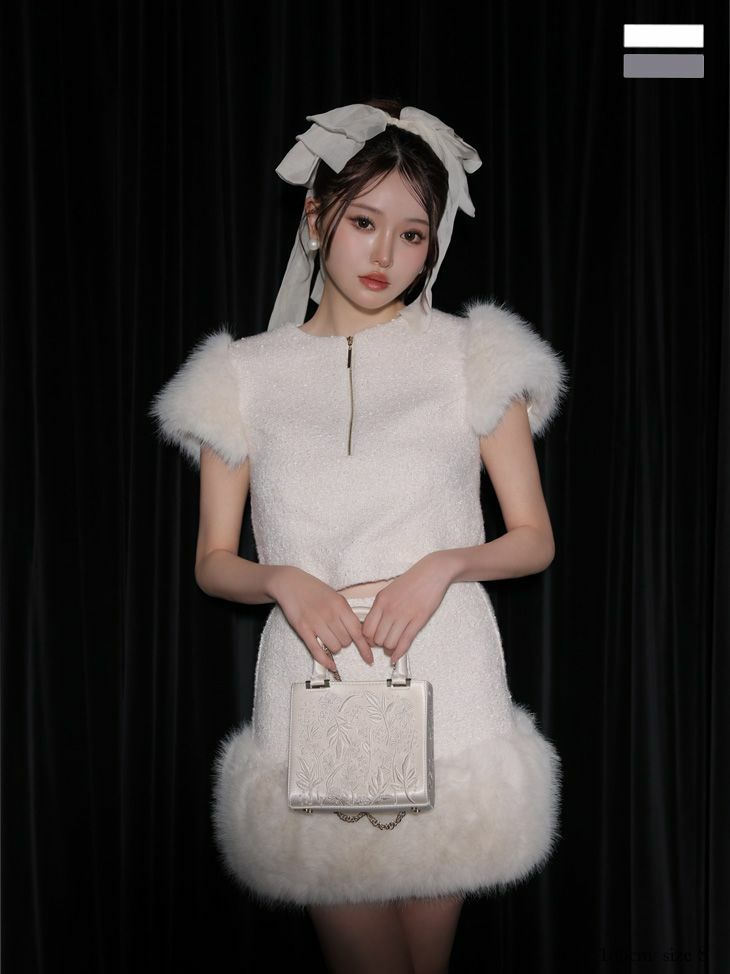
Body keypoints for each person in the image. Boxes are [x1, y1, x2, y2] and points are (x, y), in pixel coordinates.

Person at [149, 97, 570, 974]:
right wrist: (281, 579)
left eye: (412, 235)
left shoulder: (471, 356)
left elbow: (533, 537)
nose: (385, 256)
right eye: (364, 222)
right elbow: (213, 562)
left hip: (445, 666)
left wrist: (444, 564)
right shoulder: (241, 375)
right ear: (316, 218)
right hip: (314, 675)